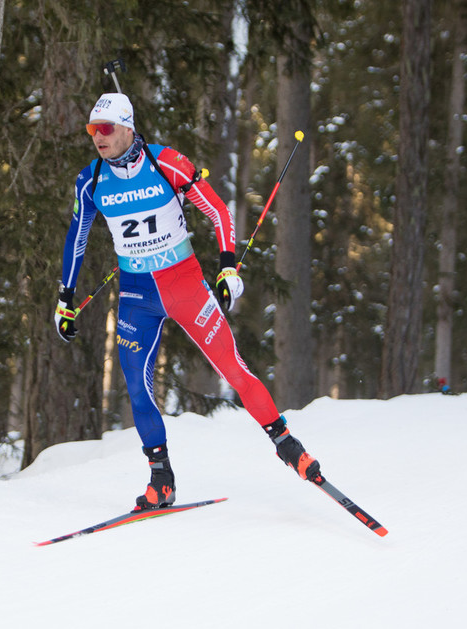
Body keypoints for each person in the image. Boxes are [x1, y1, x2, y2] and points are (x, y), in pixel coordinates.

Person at [54, 92, 319, 510]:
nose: (97, 138)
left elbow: (217, 210)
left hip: (185, 285)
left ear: (127, 127)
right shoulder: (90, 180)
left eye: (105, 129)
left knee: (233, 368)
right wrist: (65, 298)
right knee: (137, 389)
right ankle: (161, 479)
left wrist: (228, 267)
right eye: (91, 130)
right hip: (136, 294)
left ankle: (289, 446)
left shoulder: (167, 163)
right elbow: (78, 238)